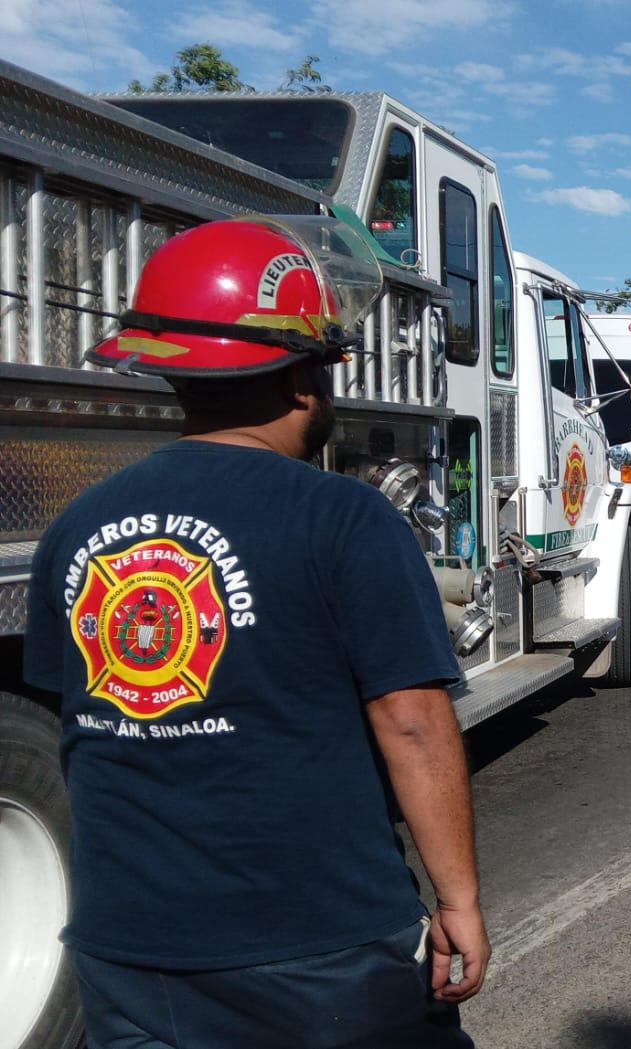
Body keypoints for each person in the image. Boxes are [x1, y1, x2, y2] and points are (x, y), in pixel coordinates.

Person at [22, 217, 488, 1048]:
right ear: (303, 377)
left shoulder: (76, 526)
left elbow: (85, 726)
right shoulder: (346, 519)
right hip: (317, 952)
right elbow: (412, 722)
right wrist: (458, 900)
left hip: (126, 956)